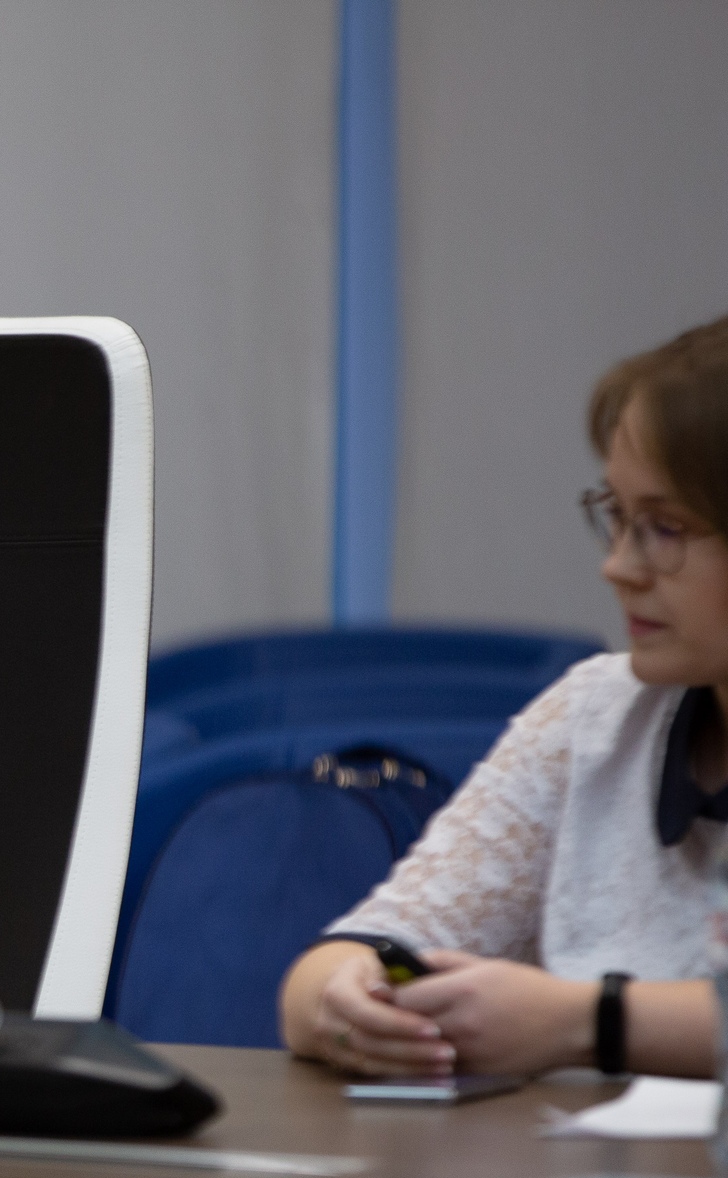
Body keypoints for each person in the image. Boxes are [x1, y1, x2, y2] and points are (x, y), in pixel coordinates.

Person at [281, 314, 728, 1079]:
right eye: (616, 517)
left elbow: (581, 1020)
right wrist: (347, 1004)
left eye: (664, 527)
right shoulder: (594, 714)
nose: (618, 567)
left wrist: (589, 1023)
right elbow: (346, 960)